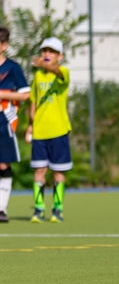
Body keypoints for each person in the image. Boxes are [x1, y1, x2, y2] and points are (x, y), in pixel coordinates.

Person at [27, 37, 71, 223]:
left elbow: (57, 72)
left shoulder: (63, 73)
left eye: (52, 52)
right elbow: (34, 100)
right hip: (40, 132)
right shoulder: (38, 76)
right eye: (44, 51)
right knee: (39, 170)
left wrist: (45, 65)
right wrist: (30, 125)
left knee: (58, 172)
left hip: (59, 131)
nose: (46, 54)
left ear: (60, 56)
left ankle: (57, 209)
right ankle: (39, 209)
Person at [0, 27, 31, 223]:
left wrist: (3, 95)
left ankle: (1, 208)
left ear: (4, 45)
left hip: (3, 119)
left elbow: (26, 95)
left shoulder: (12, 68)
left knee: (3, 163)